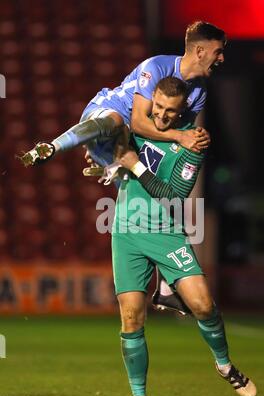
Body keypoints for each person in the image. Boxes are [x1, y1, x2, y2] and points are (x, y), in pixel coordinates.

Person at [18, 21, 226, 314]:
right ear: (201, 51)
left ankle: (166, 288)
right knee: (114, 120)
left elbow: (174, 132)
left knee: (158, 203)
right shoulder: (156, 67)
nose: (222, 58)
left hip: (131, 147)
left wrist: (194, 138)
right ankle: (52, 146)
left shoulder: (199, 91)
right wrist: (182, 136)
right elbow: (141, 122)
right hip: (107, 118)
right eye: (218, 51)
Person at [112, 77, 257, 396]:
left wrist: (134, 165)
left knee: (204, 305)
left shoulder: (193, 141)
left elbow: (172, 193)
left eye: (169, 111)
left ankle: (224, 365)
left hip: (166, 231)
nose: (160, 116)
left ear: (182, 111)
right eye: (158, 107)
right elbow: (109, 133)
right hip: (126, 231)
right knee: (131, 317)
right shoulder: (138, 121)